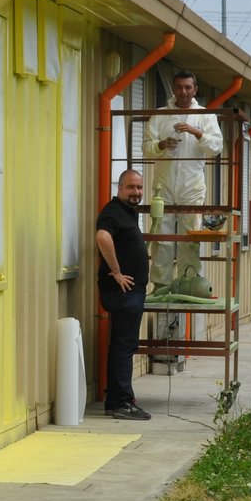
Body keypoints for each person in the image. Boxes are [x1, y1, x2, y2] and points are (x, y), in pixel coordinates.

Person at [144, 73, 224, 285]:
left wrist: (196, 132)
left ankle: (189, 284)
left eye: (188, 87)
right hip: (164, 185)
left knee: (190, 238)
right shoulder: (161, 115)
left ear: (195, 89)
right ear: (173, 89)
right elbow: (146, 147)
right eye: (179, 87)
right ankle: (161, 286)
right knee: (162, 238)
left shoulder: (205, 116)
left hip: (192, 186)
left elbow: (216, 147)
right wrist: (161, 145)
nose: (183, 92)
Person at [96, 169, 151, 420]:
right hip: (123, 292)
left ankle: (119, 400)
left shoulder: (127, 213)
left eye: (139, 188)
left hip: (131, 292)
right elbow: (102, 236)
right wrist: (116, 272)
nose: (136, 193)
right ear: (119, 188)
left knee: (124, 345)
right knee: (123, 346)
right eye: (131, 187)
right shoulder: (113, 211)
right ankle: (120, 402)